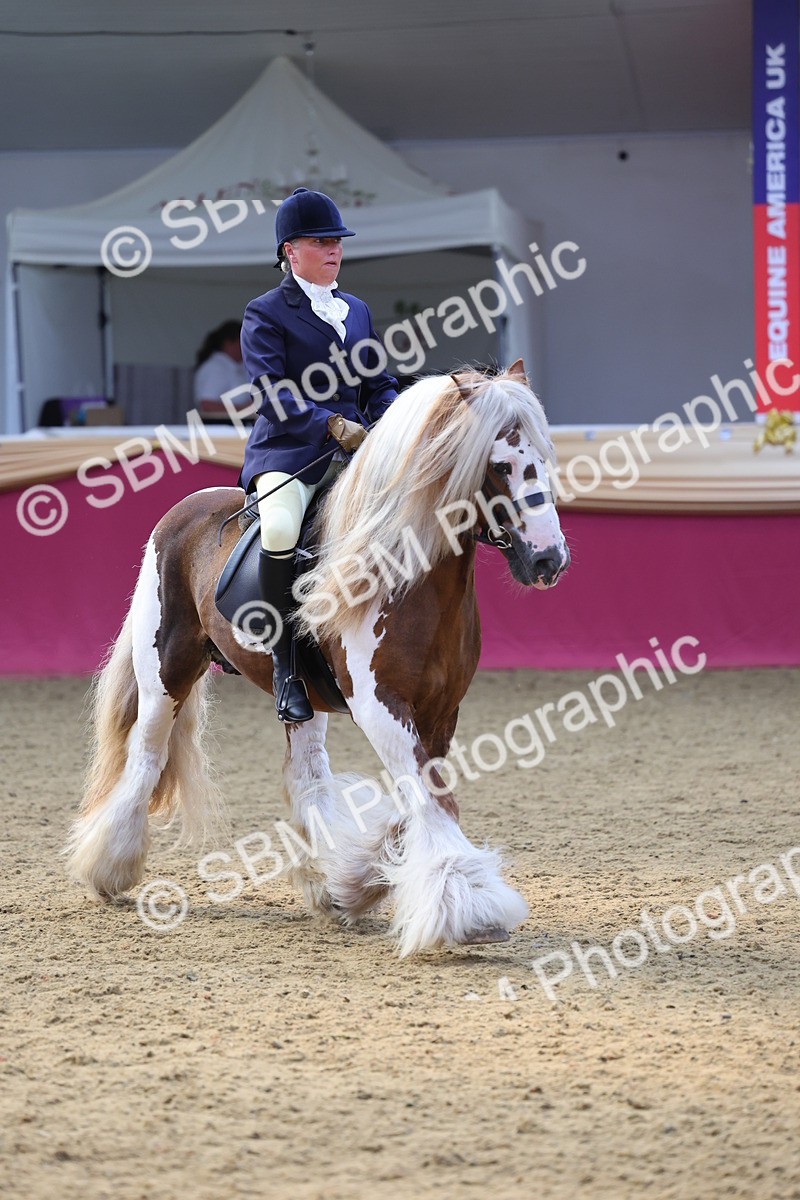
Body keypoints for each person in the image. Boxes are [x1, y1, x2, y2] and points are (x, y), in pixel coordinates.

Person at [240, 187, 398, 723]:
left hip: (359, 451)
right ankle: (285, 667)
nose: (333, 250)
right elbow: (269, 391)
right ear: (290, 250)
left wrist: (394, 418)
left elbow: (378, 383)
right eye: (320, 242)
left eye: (337, 242)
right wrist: (328, 422)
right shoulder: (264, 312)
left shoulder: (356, 310)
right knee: (281, 529)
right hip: (290, 452)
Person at [194, 320, 250, 419]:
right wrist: (245, 409)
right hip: (220, 430)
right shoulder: (216, 367)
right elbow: (207, 405)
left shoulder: (239, 366)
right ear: (229, 343)